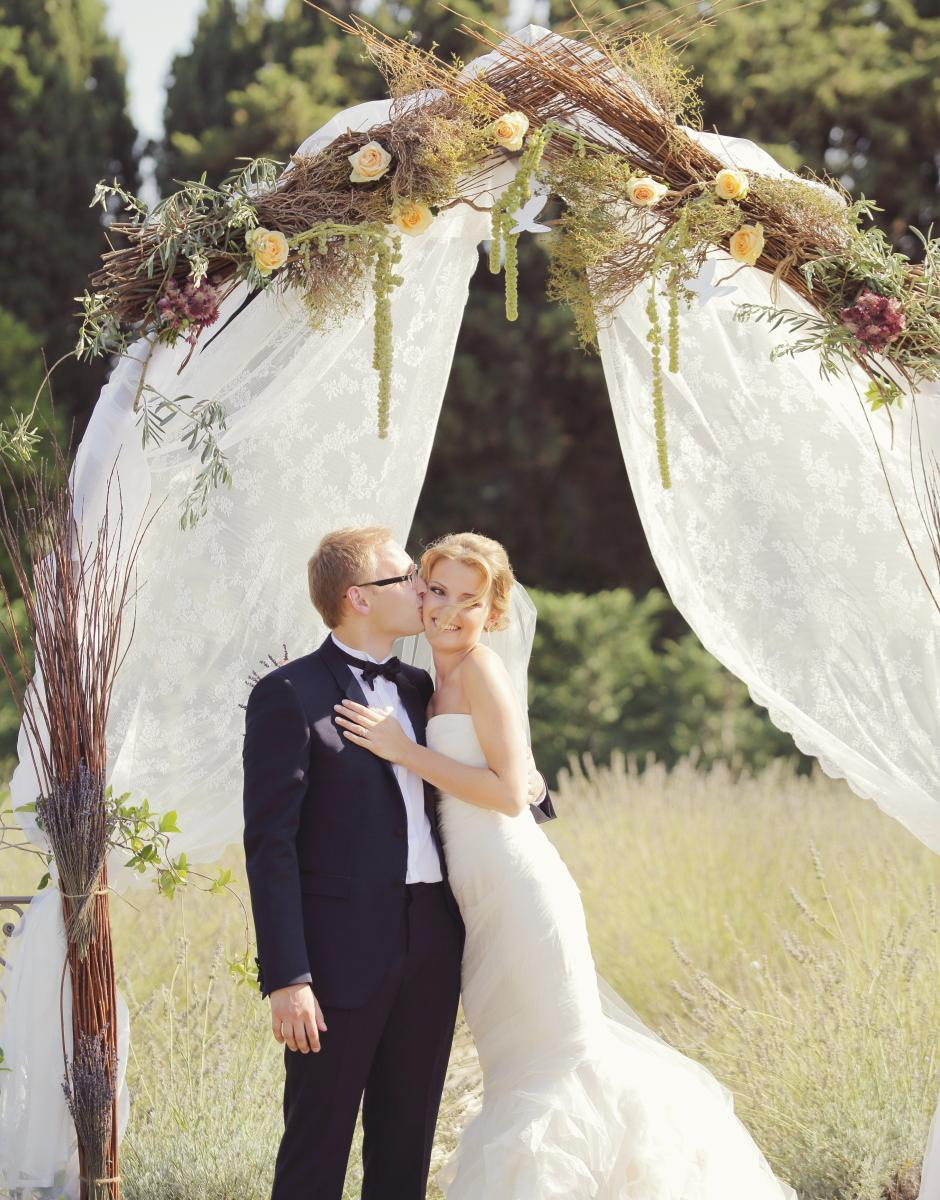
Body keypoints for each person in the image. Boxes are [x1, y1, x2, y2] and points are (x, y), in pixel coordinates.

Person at [335, 531, 797, 1199]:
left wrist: (403, 751)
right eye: (438, 591)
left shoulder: (482, 670)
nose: (448, 610)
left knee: (556, 1063)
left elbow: (504, 791)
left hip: (522, 892)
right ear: (418, 591)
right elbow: (517, 777)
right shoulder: (430, 683)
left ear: (492, 613)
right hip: (479, 901)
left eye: (470, 600)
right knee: (515, 1065)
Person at [241, 525, 552, 1200]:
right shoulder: (288, 695)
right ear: (358, 597)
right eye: (407, 578)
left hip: (435, 939)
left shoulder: (424, 684)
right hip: (337, 956)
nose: (422, 590)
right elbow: (269, 849)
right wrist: (287, 977)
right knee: (315, 1148)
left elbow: (491, 771)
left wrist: (531, 781)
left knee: (404, 1147)